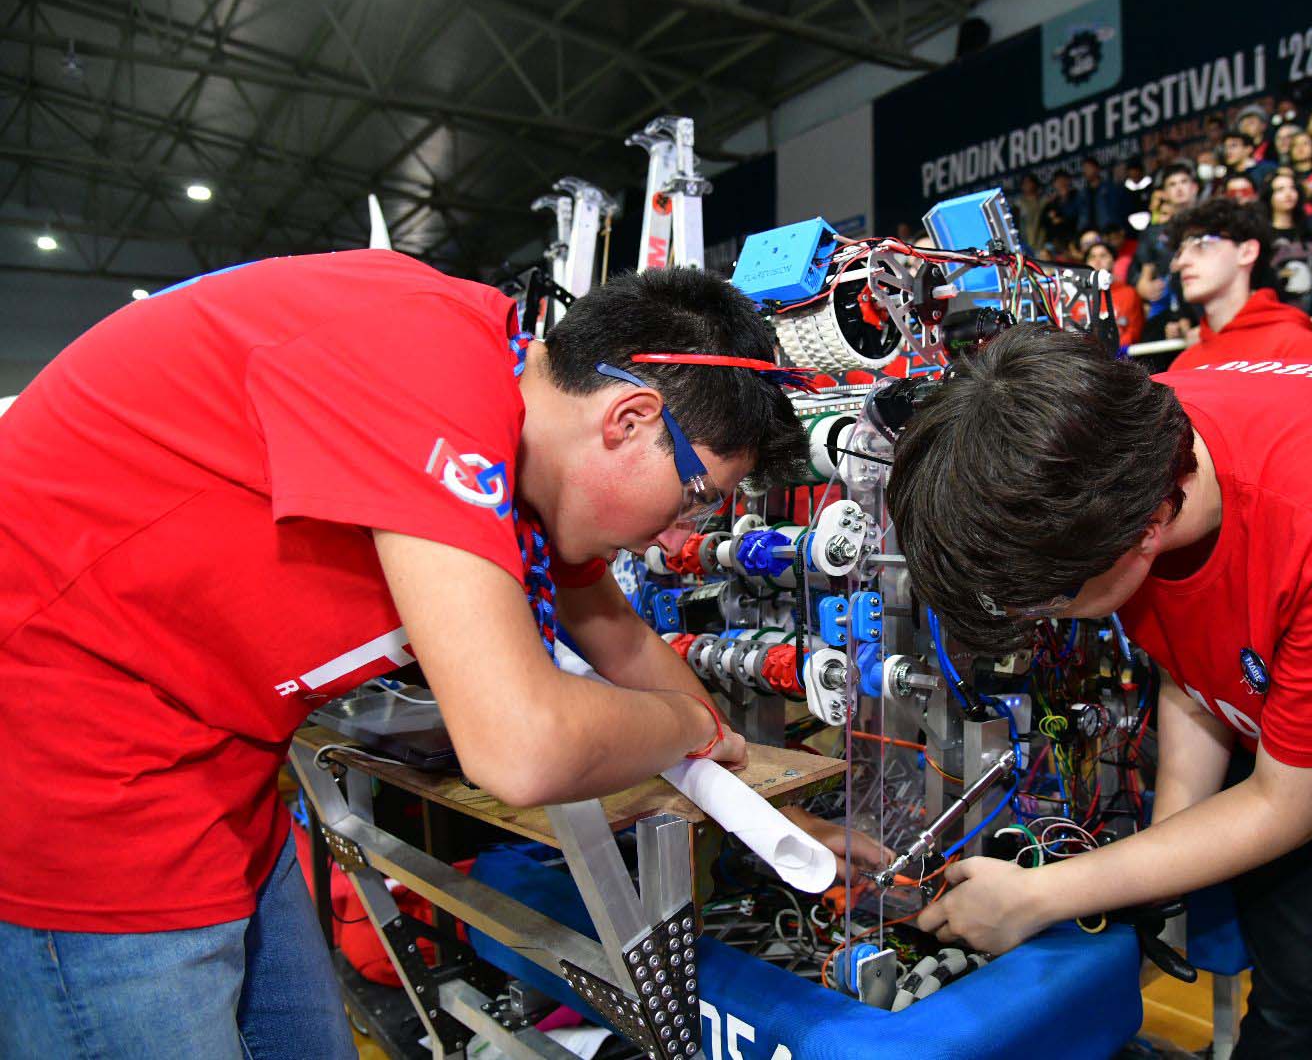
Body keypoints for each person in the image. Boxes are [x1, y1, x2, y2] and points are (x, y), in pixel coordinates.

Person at [0, 256, 884, 1057]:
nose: (680, 530)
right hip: (75, 786)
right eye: (694, 496)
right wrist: (686, 725)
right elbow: (520, 744)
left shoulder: (525, 445)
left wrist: (772, 826)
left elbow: (617, 634)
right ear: (628, 418)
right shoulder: (429, 367)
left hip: (214, 768)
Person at [885, 326, 1312, 1059]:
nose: (1042, 621)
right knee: (1303, 1000)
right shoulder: (1117, 453)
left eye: (1048, 603)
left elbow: (1284, 803)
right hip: (1285, 723)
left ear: (1141, 534)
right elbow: (1198, 670)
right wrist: (1154, 874)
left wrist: (1045, 895)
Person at [1160, 196, 1312, 370]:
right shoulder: (1183, 366)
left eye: (1202, 244)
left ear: (1247, 252)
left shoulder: (1301, 350)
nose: (1181, 261)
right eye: (1180, 251)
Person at [1130, 161, 1201, 329]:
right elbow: (1142, 277)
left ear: (1195, 187)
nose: (1179, 188)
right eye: (1172, 184)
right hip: (1168, 309)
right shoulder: (1153, 233)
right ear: (1165, 194)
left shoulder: (1212, 222)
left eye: (1184, 182)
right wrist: (1144, 286)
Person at [1264, 169, 1312, 308]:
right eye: (1280, 189)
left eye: (1292, 188)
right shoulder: (1263, 236)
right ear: (1269, 196)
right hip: (1278, 309)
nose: (1288, 194)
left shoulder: (1309, 232)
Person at [1070, 240, 1144, 348]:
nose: (1097, 260)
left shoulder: (1129, 293)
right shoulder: (1075, 298)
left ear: (1113, 261)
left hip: (1119, 356)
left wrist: (1111, 351)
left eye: (1103, 256)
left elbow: (1134, 332)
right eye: (1092, 257)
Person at [1077, 155, 1128, 232]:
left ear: (1097, 169)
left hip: (1108, 231)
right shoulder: (1083, 193)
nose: (1085, 171)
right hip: (1090, 233)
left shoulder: (1110, 188)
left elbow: (1118, 210)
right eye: (1084, 168)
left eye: (1088, 168)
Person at [1042, 169, 1083, 254]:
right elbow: (1044, 222)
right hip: (1056, 243)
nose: (1061, 183)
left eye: (1064, 180)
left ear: (1069, 181)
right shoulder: (1052, 203)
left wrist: (1061, 219)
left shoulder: (1077, 196)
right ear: (1054, 184)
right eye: (1058, 181)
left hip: (1074, 239)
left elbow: (1077, 215)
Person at [1014, 172, 1045, 251]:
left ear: (1035, 183)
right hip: (1025, 245)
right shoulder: (1019, 204)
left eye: (1029, 182)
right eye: (1024, 183)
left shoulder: (1043, 201)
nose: (1027, 185)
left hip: (1042, 244)